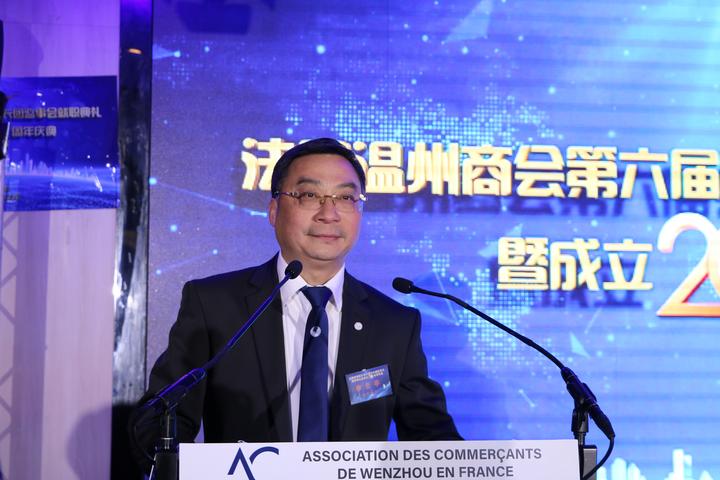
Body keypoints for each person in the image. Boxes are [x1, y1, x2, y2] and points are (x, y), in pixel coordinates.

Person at [132, 138, 461, 471]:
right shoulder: (215, 304)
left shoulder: (394, 324)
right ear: (274, 210)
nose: (329, 214)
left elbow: (431, 438)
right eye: (309, 195)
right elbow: (160, 423)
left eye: (346, 198)